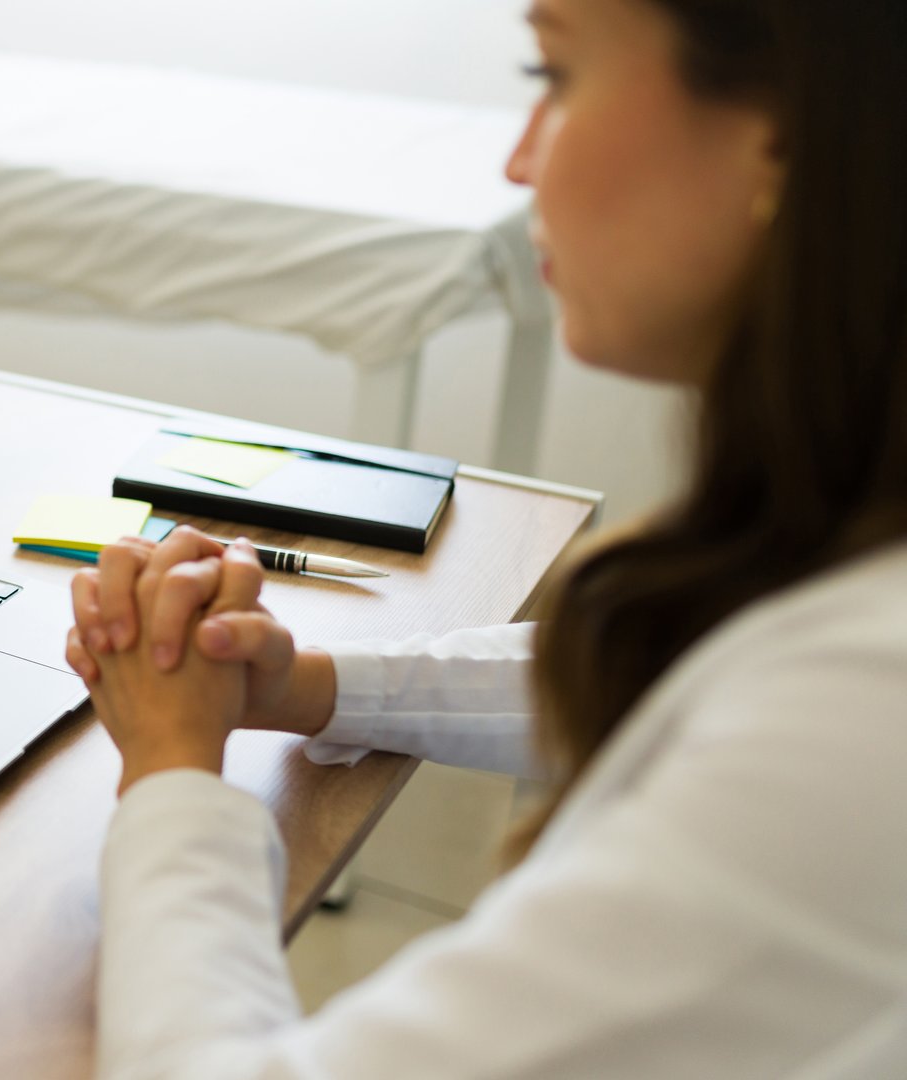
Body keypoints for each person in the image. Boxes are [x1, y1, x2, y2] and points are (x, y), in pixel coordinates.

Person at [68, 1, 907, 1075]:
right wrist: (307, 686)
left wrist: (172, 772)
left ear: (783, 129)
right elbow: (677, 678)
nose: (519, 162)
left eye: (552, 75)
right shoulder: (854, 548)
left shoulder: (855, 718)